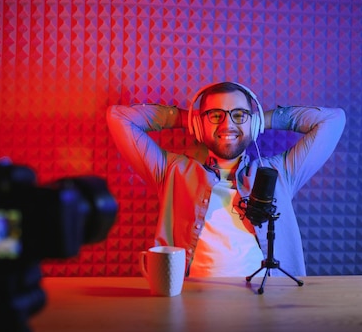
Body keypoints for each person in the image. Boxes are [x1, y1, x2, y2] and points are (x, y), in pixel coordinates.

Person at [106, 81, 345, 278]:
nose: (227, 124)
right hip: (191, 307)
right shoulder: (172, 172)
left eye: (239, 115)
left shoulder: (279, 173)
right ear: (200, 124)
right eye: (215, 115)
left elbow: (332, 121)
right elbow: (119, 118)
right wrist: (184, 118)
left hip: (269, 307)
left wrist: (264, 119)